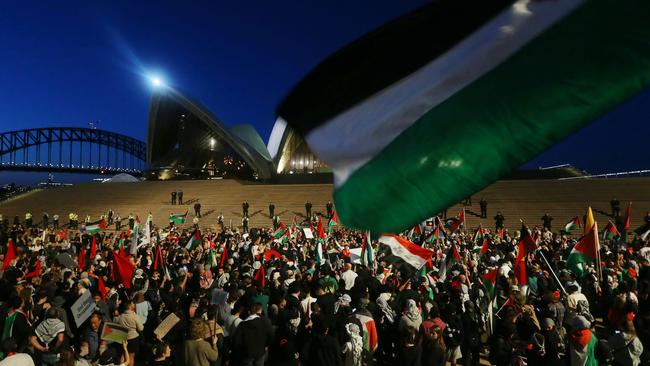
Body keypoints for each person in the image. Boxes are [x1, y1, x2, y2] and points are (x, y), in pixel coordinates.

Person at [114, 301, 143, 366]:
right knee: (131, 356)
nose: (134, 304)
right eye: (133, 303)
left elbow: (115, 324)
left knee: (123, 354)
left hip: (123, 338)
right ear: (129, 306)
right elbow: (141, 328)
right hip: (133, 339)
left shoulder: (120, 316)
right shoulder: (135, 316)